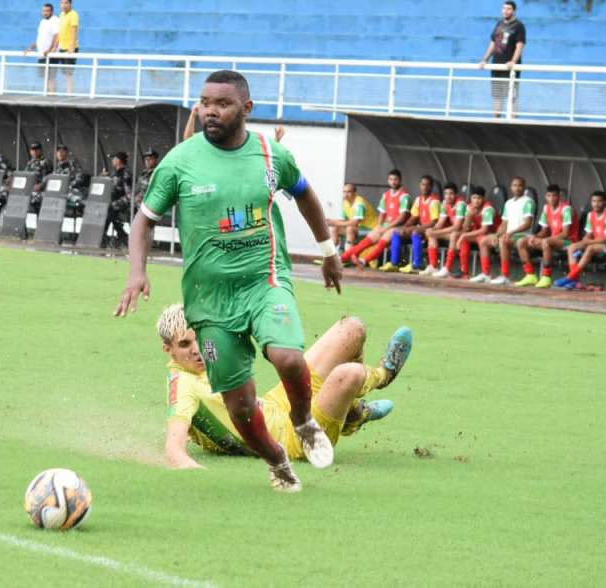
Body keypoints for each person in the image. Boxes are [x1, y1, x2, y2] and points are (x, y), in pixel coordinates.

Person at [116, 69, 343, 493]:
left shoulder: (271, 154)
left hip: (264, 281)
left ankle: (304, 420)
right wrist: (137, 272)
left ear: (246, 108)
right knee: (241, 410)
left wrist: (328, 253)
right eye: (205, 103)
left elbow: (306, 194)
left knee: (289, 359)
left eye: (222, 104)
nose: (210, 111)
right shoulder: (180, 161)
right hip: (209, 301)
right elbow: (143, 221)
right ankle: (276, 460)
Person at [159, 304, 412, 469]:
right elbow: (174, 448)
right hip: (292, 438)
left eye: (199, 338)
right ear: (167, 350)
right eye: (184, 344)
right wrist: (194, 471)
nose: (197, 350)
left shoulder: (212, 350)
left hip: (280, 402)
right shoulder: (182, 386)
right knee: (350, 374)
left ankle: (353, 413)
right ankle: (383, 375)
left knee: (352, 328)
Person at [340, 169, 410, 270]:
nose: (393, 182)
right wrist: (380, 225)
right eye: (391, 179)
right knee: (365, 242)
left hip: (398, 226)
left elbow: (402, 217)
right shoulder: (386, 195)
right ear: (388, 180)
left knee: (383, 240)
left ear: (400, 180)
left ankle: (364, 261)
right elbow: (382, 213)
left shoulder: (404, 196)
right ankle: (342, 259)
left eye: (395, 179)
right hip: (386, 225)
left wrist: (386, 228)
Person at [553, 191, 606, 289]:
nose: (596, 204)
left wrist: (587, 242)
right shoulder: (590, 215)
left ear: (605, 202)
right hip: (597, 243)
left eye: (599, 201)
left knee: (590, 248)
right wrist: (585, 240)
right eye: (594, 201)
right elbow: (588, 234)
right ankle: (575, 279)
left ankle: (570, 277)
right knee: (572, 247)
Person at [472, 176, 535, 284]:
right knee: (484, 241)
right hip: (509, 235)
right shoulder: (508, 203)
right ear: (511, 187)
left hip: (523, 235)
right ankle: (486, 274)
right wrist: (496, 235)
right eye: (515, 185)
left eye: (520, 185)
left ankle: (505, 275)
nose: (517, 188)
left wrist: (510, 233)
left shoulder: (528, 201)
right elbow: (504, 224)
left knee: (503, 241)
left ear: (524, 187)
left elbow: (527, 224)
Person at [515, 184, 578, 288]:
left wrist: (547, 239)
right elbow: (544, 231)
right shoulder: (546, 208)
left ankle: (546, 277)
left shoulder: (566, 209)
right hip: (553, 240)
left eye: (554, 196)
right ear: (546, 196)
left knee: (546, 242)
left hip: (569, 241)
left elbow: (565, 234)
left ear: (559, 196)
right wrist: (534, 237)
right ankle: (530, 274)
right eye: (549, 196)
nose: (551, 198)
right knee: (521, 241)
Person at [479, 0, 526, 119]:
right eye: (504, 8)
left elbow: (520, 45)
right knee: (498, 94)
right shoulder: (499, 24)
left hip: (510, 67)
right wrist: (485, 60)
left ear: (514, 11)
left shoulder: (519, 26)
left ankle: (514, 121)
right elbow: (493, 43)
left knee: (512, 95)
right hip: (497, 65)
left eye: (509, 9)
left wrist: (513, 62)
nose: (505, 11)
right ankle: (496, 120)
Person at [439, 186, 499, 280]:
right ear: (471, 198)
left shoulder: (488, 209)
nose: (476, 201)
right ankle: (463, 272)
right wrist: (461, 234)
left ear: (483, 199)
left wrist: (464, 235)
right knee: (460, 237)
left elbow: (485, 230)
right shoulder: (469, 207)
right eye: (474, 198)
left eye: (479, 198)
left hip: (493, 235)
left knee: (476, 239)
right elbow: (465, 227)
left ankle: (486, 273)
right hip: (478, 234)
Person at [398, 175, 441, 274]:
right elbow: (413, 218)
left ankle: (417, 264)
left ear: (431, 186)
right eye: (423, 184)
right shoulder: (418, 199)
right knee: (397, 232)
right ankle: (395, 263)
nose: (425, 187)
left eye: (427, 185)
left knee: (415, 232)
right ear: (419, 185)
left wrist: (418, 228)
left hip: (432, 229)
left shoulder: (434, 201)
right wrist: (405, 227)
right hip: (422, 228)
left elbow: (434, 222)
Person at [424, 183, 467, 277]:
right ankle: (433, 265)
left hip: (465, 232)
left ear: (456, 194)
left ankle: (447, 268)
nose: (448, 196)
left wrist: (436, 232)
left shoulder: (461, 204)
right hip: (454, 232)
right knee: (430, 233)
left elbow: (457, 227)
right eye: (446, 194)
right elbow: (440, 223)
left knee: (453, 235)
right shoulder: (444, 203)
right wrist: (432, 229)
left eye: (451, 193)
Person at [327, 183, 378, 251]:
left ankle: (347, 256)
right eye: (344, 192)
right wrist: (329, 222)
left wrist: (335, 223)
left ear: (355, 193)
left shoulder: (359, 202)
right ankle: (330, 256)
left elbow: (355, 222)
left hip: (372, 228)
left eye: (349, 192)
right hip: (359, 228)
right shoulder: (345, 202)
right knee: (334, 228)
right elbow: (341, 221)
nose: (345, 194)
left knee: (350, 228)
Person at [27, 3, 60, 93]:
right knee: (44, 77)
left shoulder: (55, 20)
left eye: (47, 11)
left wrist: (50, 49)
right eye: (43, 11)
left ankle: (52, 96)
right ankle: (47, 94)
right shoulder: (42, 22)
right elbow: (40, 38)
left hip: (51, 55)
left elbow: (57, 35)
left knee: (51, 77)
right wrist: (31, 47)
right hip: (41, 54)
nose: (45, 13)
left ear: (52, 11)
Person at [53, 144, 88, 215]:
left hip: (72, 191)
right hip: (60, 192)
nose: (60, 153)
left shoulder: (73, 164)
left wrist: (69, 186)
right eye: (58, 152)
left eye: (62, 151)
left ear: (66, 153)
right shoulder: (57, 167)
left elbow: (80, 178)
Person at [55, 0, 79, 94]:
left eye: (66, 3)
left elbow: (74, 31)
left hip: (70, 49)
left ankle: (69, 94)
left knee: (69, 73)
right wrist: (56, 46)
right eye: (62, 3)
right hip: (62, 48)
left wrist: (72, 47)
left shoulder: (73, 14)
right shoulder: (61, 15)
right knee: (65, 73)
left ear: (70, 4)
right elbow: (60, 32)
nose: (63, 5)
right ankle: (69, 92)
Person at [107, 150, 133, 247]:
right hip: (113, 202)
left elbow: (129, 194)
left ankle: (121, 237)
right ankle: (122, 236)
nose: (112, 160)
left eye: (114, 158)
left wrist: (118, 203)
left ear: (119, 160)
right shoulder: (114, 173)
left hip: (121, 203)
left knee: (109, 213)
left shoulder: (125, 174)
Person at [24, 141, 54, 213]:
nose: (34, 152)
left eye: (36, 149)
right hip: (30, 190)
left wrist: (41, 185)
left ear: (40, 150)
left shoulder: (46, 162)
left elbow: (49, 176)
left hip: (41, 191)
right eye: (32, 150)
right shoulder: (30, 163)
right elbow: (25, 176)